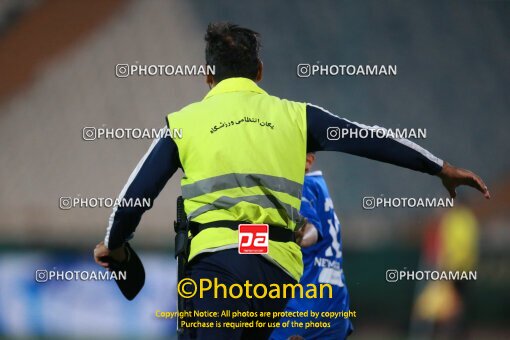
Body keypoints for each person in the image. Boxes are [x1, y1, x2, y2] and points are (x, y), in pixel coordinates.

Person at [93, 22, 490, 340]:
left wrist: (114, 247)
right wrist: (440, 167)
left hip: (215, 270)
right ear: (260, 72)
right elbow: (371, 138)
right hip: (276, 272)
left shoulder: (183, 123)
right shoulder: (296, 116)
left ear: (207, 76)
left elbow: (135, 196)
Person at [271, 153, 353, 340]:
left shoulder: (300, 186)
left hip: (303, 307)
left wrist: (300, 237)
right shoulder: (319, 186)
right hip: (336, 308)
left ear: (308, 159)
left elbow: (310, 229)